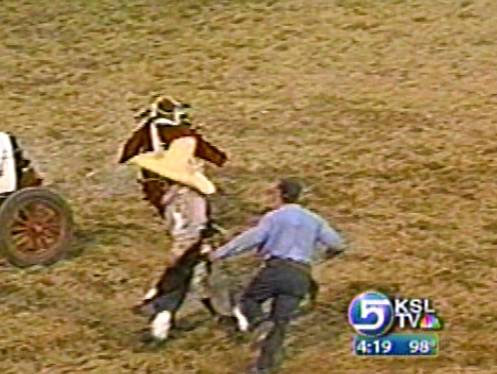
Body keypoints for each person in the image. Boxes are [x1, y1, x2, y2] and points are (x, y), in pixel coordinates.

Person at [207, 178, 345, 373]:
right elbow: (338, 244)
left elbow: (251, 238)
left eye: (273, 193)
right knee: (280, 324)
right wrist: (324, 256)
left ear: (282, 194)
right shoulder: (315, 219)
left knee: (249, 301)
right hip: (301, 274)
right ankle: (264, 367)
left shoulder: (274, 217)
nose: (270, 197)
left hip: (277, 268)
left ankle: (260, 324)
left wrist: (220, 253)